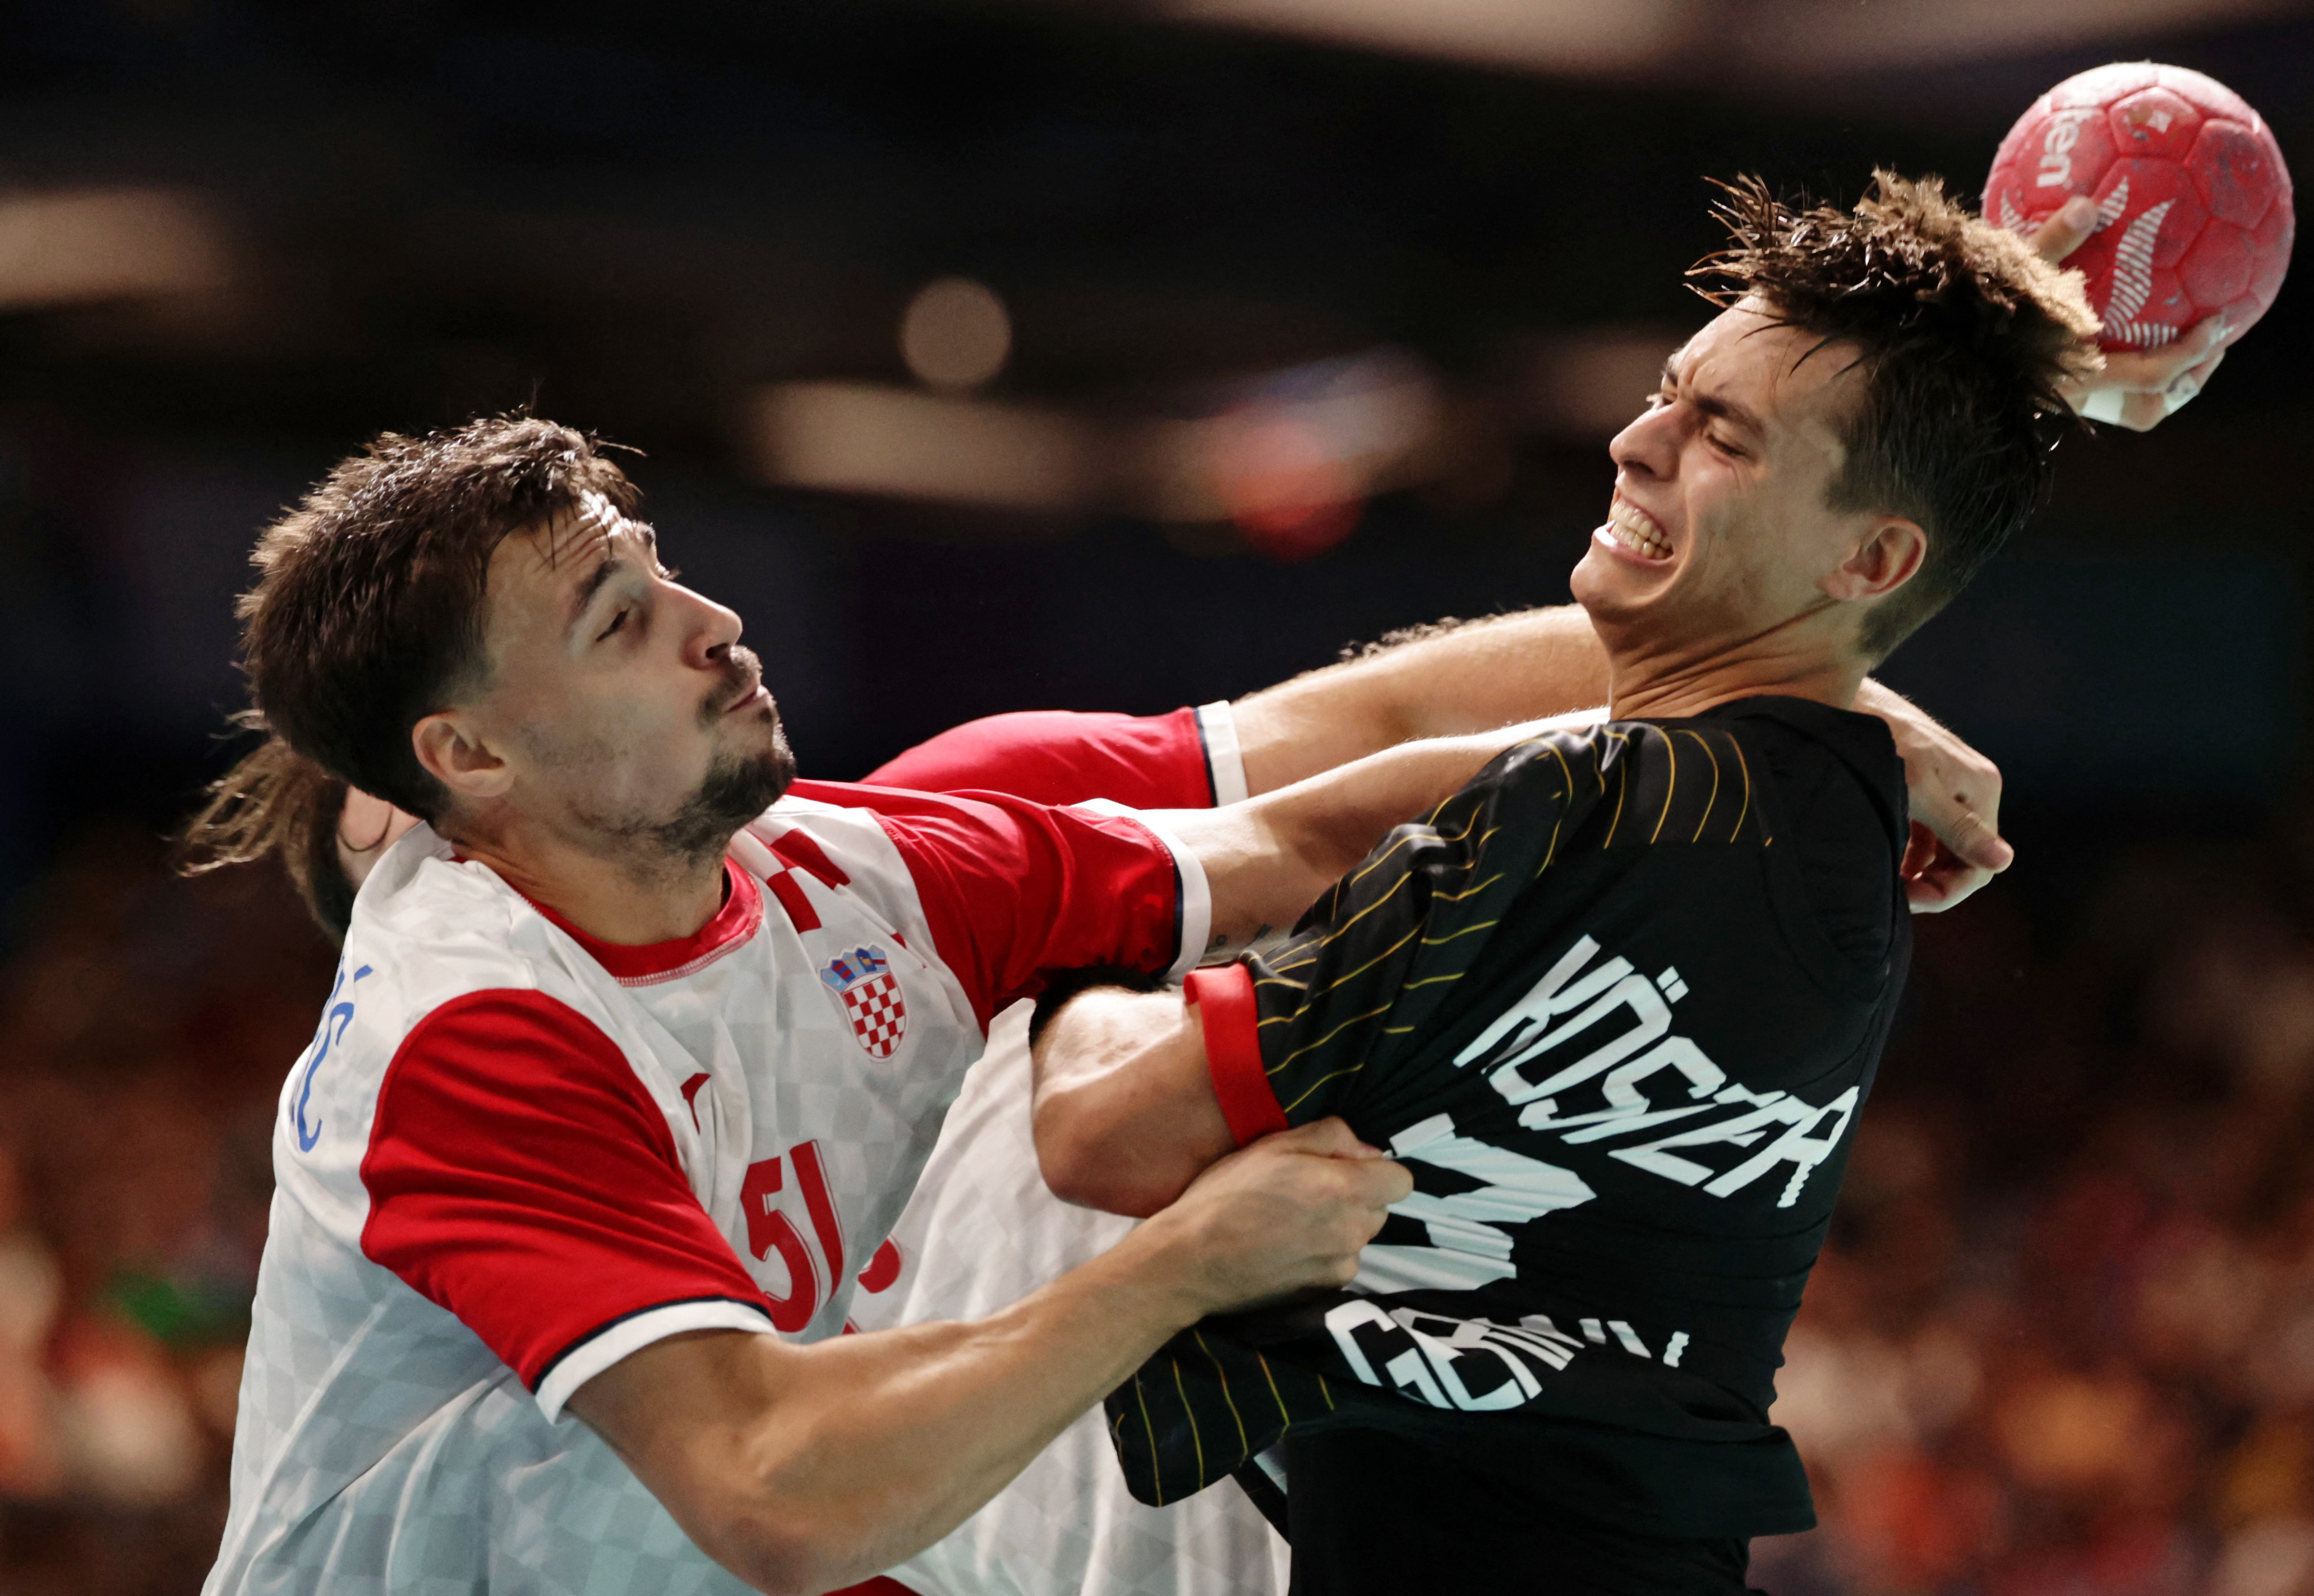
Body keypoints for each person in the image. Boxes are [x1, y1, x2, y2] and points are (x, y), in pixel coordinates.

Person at [182, 414, 1585, 1596]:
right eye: (621, 623)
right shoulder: (470, 1036)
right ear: (467, 765)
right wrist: (1184, 1266)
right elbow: (769, 1490)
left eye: (659, 570)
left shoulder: (863, 866)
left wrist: (1743, 722)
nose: (716, 624)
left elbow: (1293, 833)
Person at [1024, 172, 2101, 1593]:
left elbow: (1098, 1129)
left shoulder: (1598, 815)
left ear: (1870, 556)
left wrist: (1065, 961)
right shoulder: (1844, 811)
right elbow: (1431, 776)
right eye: (1666, 393)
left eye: (1719, 434)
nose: (1633, 440)